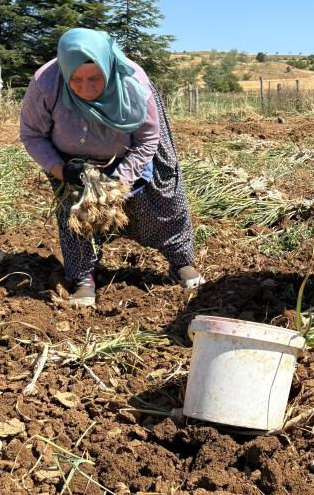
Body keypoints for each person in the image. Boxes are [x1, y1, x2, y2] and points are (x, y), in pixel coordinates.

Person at [19, 28, 203, 307]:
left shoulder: (133, 83)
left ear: (107, 68)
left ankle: (180, 261)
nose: (86, 88)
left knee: (162, 200)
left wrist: (120, 179)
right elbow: (32, 135)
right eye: (76, 79)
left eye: (95, 78)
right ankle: (83, 277)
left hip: (129, 150)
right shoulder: (46, 84)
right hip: (71, 162)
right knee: (77, 211)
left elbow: (147, 139)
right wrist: (61, 170)